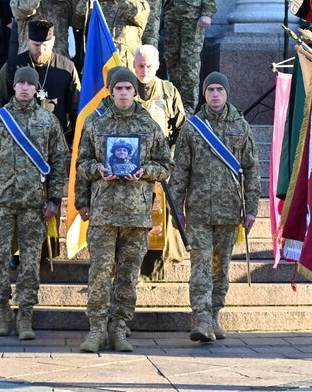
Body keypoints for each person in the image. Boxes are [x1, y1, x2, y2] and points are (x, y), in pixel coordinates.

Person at [75, 67, 173, 353]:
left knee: (129, 276)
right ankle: (96, 330)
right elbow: (81, 164)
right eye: (118, 88)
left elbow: (166, 166)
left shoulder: (148, 124)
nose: (123, 93)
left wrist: (144, 171)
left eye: (128, 89)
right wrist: (96, 173)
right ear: (110, 90)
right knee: (101, 274)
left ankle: (119, 329)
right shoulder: (95, 122)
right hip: (104, 212)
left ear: (135, 91)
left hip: (136, 215)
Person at [0, 66, 67, 341]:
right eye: (21, 83)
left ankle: (25, 314)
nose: (25, 88)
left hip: (33, 205)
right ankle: (3, 310)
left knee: (29, 264)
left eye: (30, 84)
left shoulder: (47, 121)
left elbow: (59, 162)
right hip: (1, 202)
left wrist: (54, 199)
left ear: (36, 89)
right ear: (13, 87)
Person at [170, 72, 260, 342]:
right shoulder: (192, 127)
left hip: (230, 210)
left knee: (221, 268)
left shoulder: (241, 126)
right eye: (210, 90)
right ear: (204, 94)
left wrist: (252, 208)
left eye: (220, 89)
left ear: (227, 93)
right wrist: (177, 209)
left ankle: (215, 314)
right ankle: (201, 319)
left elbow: (252, 170)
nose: (215, 94)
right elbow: (180, 170)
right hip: (198, 210)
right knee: (200, 266)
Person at [131, 45, 187, 282]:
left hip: (159, 170)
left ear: (157, 66)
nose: (144, 70)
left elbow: (180, 129)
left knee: (158, 221)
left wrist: (172, 161)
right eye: (140, 66)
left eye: (149, 66)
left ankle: (153, 271)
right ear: (133, 66)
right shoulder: (125, 88)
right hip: (129, 170)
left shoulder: (168, 90)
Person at [0, 19, 80, 142]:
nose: (41, 50)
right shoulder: (13, 66)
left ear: (53, 42)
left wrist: (76, 136)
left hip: (56, 139)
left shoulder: (66, 67)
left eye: (45, 45)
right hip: (19, 138)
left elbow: (76, 105)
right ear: (28, 41)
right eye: (36, 45)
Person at [74, 0, 150, 68]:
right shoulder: (104, 2)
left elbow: (133, 10)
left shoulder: (142, 5)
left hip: (124, 64)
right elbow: (82, 10)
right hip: (101, 60)